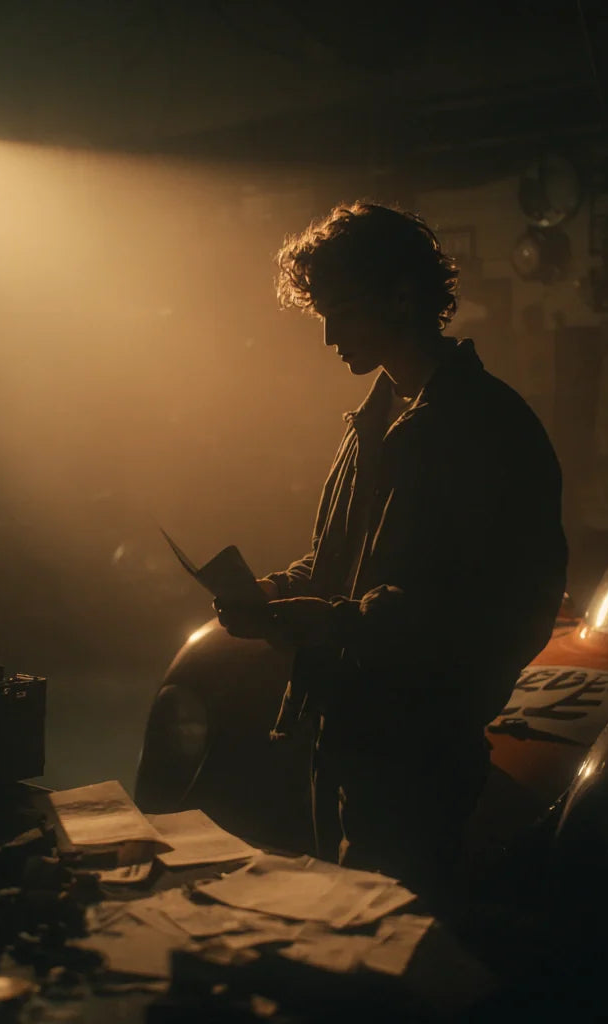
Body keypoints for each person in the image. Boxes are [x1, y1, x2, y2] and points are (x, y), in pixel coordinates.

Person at [215, 201, 567, 914]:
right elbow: (339, 561)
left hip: (417, 756)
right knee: (347, 939)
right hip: (343, 735)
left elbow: (491, 612)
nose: (327, 337)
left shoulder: (487, 429)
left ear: (402, 298)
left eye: (341, 312)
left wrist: (334, 625)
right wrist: (272, 592)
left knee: (390, 950)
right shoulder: (376, 420)